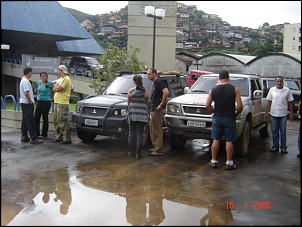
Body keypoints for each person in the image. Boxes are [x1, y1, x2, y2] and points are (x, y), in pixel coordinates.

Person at [205, 70, 243, 170]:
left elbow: (207, 104)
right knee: (229, 140)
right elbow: (240, 106)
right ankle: (229, 163)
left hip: (217, 117)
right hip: (230, 117)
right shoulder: (235, 89)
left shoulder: (213, 90)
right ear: (228, 77)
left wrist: (213, 111)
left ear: (219, 78)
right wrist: (236, 114)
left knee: (216, 139)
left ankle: (213, 161)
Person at [264, 75, 294, 153]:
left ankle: (283, 147)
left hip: (283, 114)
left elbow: (290, 102)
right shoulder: (272, 90)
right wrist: (266, 112)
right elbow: (269, 102)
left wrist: (291, 113)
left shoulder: (287, 90)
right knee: (274, 130)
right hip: (274, 113)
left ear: (283, 82)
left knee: (283, 131)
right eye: (278, 81)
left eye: (280, 81)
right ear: (275, 82)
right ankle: (275, 146)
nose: (279, 82)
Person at [147, 68, 169, 156]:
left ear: (154, 74)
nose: (148, 76)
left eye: (149, 74)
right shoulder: (153, 84)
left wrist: (161, 104)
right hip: (152, 109)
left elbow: (166, 92)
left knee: (157, 129)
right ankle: (155, 146)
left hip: (158, 110)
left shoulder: (159, 82)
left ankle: (158, 149)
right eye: (147, 74)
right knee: (152, 129)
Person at [127, 75, 149, 159]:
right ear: (141, 81)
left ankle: (130, 151)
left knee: (131, 133)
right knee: (140, 133)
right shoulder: (145, 92)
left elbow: (128, 103)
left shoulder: (130, 91)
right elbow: (147, 103)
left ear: (134, 82)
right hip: (142, 116)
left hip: (132, 115)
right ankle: (138, 154)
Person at [19, 67, 43, 144]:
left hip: (23, 103)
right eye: (31, 72)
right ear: (29, 72)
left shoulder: (22, 80)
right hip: (27, 103)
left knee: (25, 120)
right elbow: (26, 93)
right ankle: (33, 137)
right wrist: (30, 102)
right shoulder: (26, 81)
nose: (31, 74)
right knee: (30, 120)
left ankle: (24, 135)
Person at [52, 65, 72, 144]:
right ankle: (59, 135)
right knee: (56, 120)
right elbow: (54, 89)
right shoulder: (60, 79)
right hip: (57, 101)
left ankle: (66, 137)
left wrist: (57, 87)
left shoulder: (66, 79)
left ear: (61, 70)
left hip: (63, 102)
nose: (58, 71)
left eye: (58, 70)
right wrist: (57, 87)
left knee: (62, 120)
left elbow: (58, 88)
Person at [34, 71, 53, 139]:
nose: (44, 77)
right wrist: (37, 96)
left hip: (46, 101)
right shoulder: (39, 82)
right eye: (42, 76)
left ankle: (44, 133)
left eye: (45, 76)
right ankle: (36, 133)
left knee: (45, 117)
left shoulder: (49, 83)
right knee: (36, 116)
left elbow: (54, 88)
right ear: (40, 77)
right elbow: (37, 90)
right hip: (40, 100)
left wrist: (52, 98)